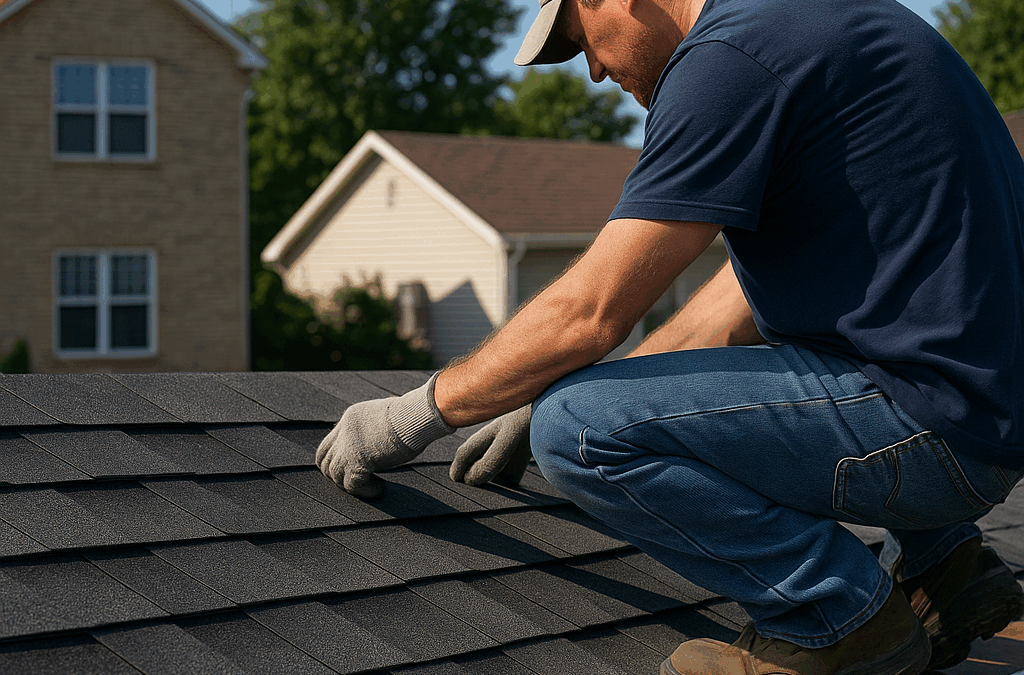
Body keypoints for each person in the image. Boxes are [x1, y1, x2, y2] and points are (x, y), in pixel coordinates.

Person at [315, 0, 1024, 671]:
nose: (591, 69)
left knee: (578, 431)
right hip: (982, 412)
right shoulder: (809, 22)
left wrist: (412, 414)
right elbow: (725, 307)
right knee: (586, 400)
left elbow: (592, 311)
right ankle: (946, 568)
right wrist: (542, 388)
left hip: (937, 431)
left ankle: (837, 621)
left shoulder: (728, 59)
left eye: (577, 36)